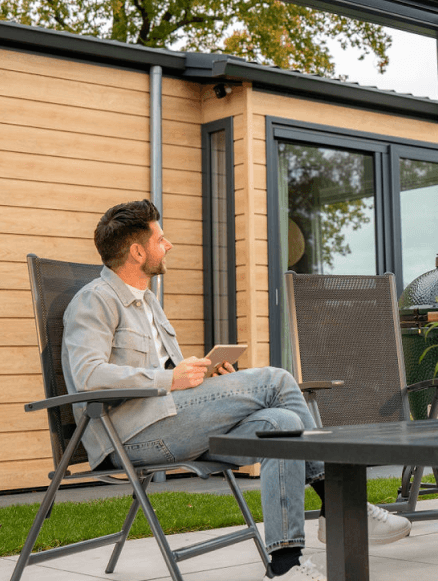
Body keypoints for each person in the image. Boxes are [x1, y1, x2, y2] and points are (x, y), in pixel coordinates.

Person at [62, 200, 410, 581]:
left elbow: (166, 378)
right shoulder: (95, 299)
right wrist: (170, 379)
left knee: (282, 422)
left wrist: (208, 379)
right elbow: (88, 376)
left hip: (171, 420)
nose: (170, 245)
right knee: (276, 379)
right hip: (129, 436)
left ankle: (285, 565)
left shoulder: (149, 304)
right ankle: (341, 505)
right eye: (161, 238)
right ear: (137, 251)